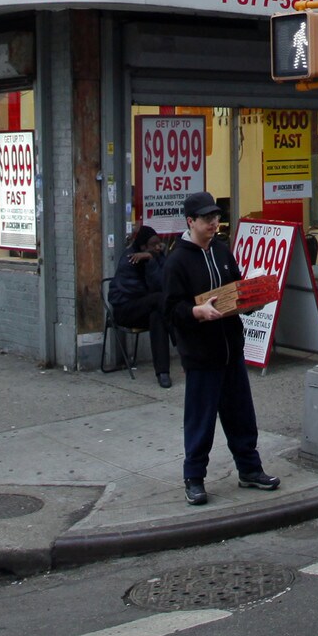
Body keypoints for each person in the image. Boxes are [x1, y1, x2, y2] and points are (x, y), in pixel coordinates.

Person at [161, 191, 279, 507]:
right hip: (201, 355)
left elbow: (236, 292)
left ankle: (250, 470)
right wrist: (196, 313)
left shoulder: (223, 252)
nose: (214, 223)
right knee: (200, 420)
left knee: (241, 415)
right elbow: (171, 311)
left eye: (215, 217)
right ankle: (194, 478)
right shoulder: (177, 262)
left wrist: (253, 301)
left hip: (231, 349)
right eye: (206, 218)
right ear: (190, 221)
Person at [107, 223, 172, 388]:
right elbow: (149, 289)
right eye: (153, 245)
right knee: (159, 300)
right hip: (125, 310)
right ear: (143, 246)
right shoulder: (130, 259)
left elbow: (165, 283)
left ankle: (163, 372)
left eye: (159, 243)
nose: (158, 247)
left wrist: (154, 258)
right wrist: (151, 261)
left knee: (158, 315)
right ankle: (180, 337)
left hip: (147, 307)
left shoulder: (156, 256)